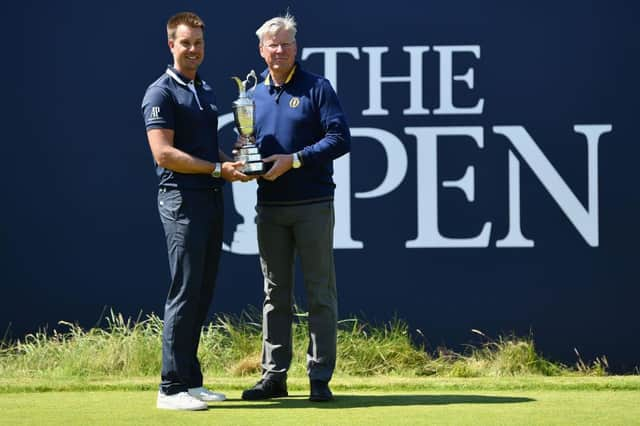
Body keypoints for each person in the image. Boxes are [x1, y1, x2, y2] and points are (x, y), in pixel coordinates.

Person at [141, 11, 250, 411]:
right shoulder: (160, 93)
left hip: (209, 197)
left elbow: (207, 152)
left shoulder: (203, 89)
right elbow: (164, 153)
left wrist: (230, 165)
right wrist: (216, 169)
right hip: (180, 202)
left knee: (202, 293)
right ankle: (169, 388)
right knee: (184, 292)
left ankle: (190, 380)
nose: (193, 50)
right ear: (171, 44)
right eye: (185, 43)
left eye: (198, 43)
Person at [241, 14, 351, 402]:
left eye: (286, 43)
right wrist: (246, 159)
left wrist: (297, 159)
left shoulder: (317, 88)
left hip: (314, 204)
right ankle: (274, 376)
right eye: (272, 44)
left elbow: (340, 138)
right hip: (270, 206)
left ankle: (319, 377)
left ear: (295, 48)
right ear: (261, 50)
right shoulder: (252, 96)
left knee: (320, 292)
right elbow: (249, 145)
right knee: (275, 294)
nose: (279, 50)